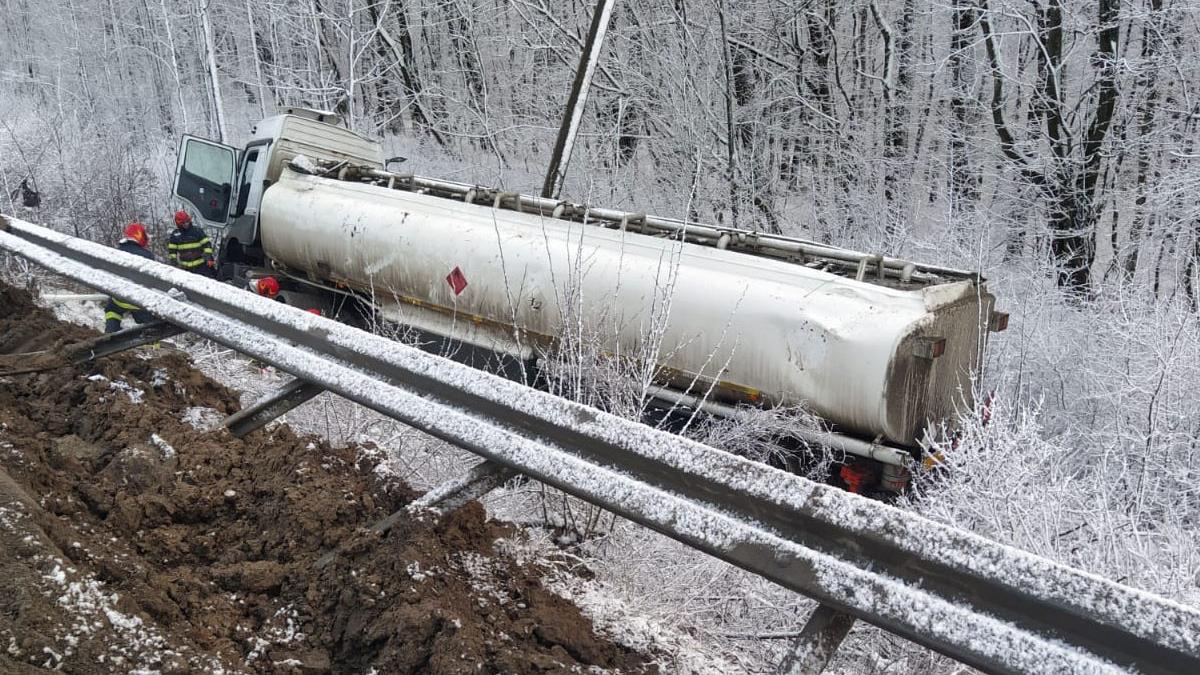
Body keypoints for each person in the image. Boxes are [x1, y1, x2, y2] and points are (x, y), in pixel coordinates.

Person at [104, 222, 155, 333]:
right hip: (138, 302)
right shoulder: (148, 255)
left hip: (118, 298)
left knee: (111, 309)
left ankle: (110, 331)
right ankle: (152, 345)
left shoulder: (115, 252)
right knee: (150, 318)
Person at [167, 210, 215, 276]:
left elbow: (207, 245)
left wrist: (209, 257)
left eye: (187, 221)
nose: (186, 224)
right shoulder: (175, 234)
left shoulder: (197, 231)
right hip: (185, 268)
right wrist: (173, 260)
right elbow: (172, 250)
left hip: (201, 266)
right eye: (183, 223)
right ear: (179, 224)